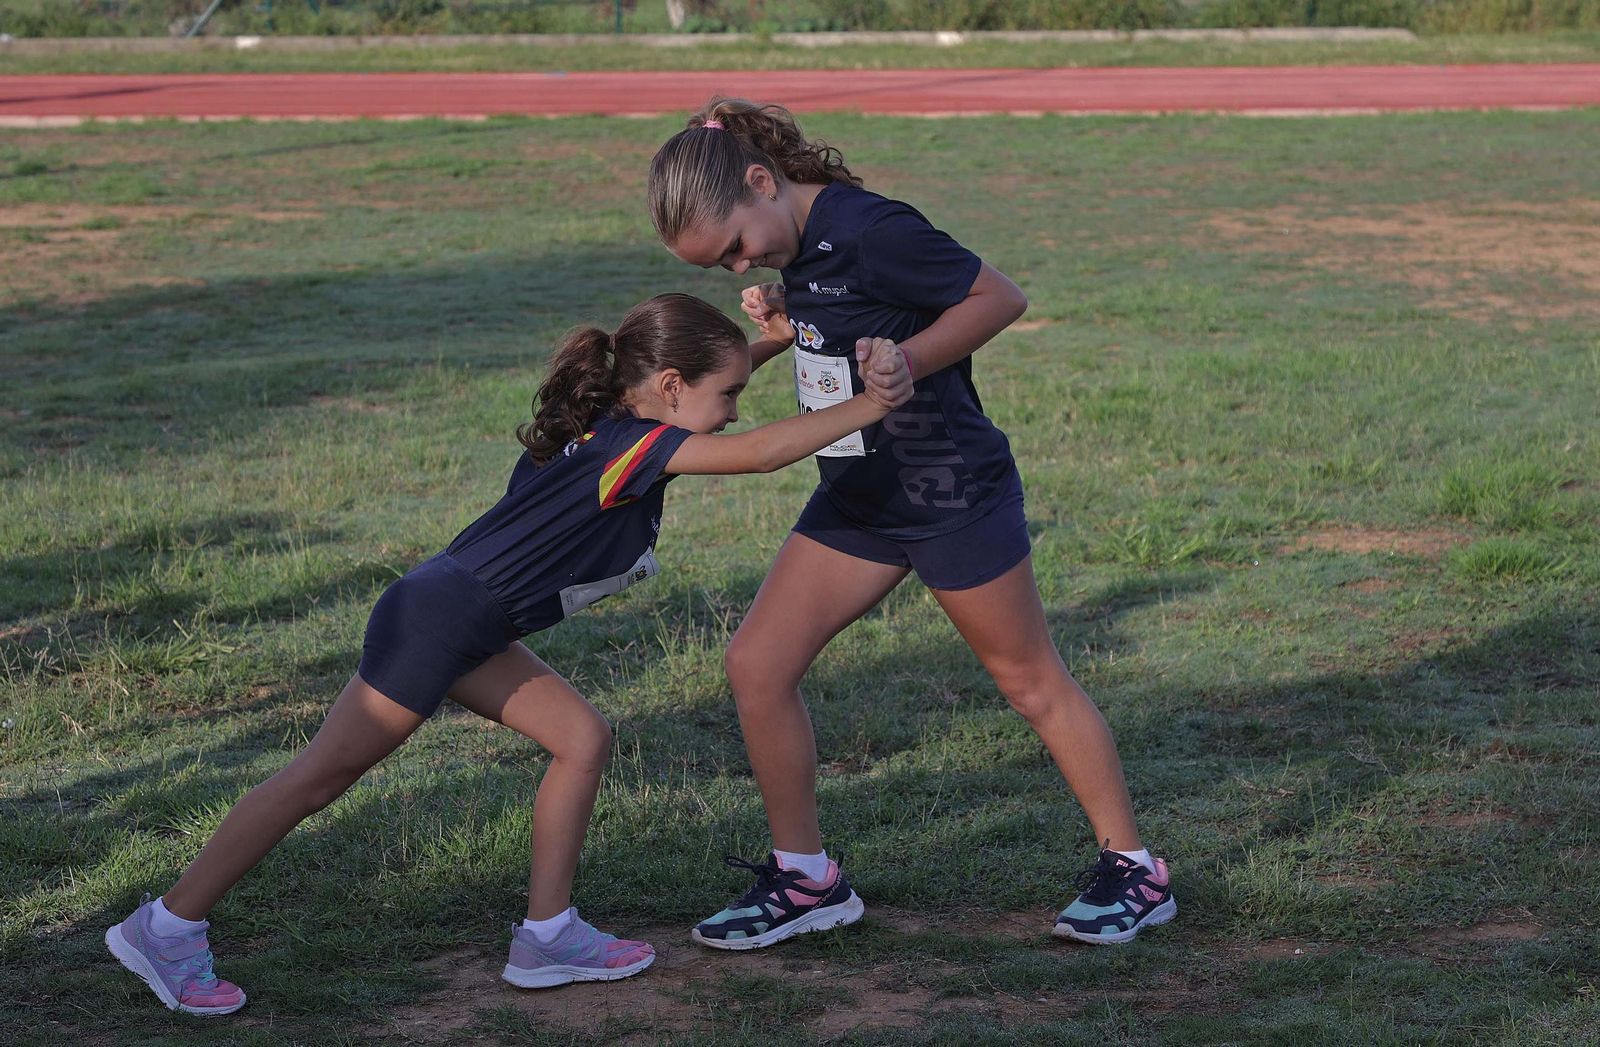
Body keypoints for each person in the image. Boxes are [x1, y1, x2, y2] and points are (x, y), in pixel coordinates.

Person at [106, 292, 912, 1014]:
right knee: (315, 779)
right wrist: (872, 405)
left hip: (463, 617)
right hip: (438, 622)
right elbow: (762, 452)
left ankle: (547, 934)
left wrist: (761, 346)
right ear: (668, 388)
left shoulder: (612, 423)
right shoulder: (625, 448)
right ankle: (167, 925)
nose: (737, 408)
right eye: (729, 393)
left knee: (582, 738)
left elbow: (705, 396)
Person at [647, 100, 1175, 951]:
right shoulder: (803, 245)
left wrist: (911, 358)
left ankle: (1135, 871)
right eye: (723, 263)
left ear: (760, 180)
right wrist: (780, 326)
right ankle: (807, 877)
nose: (741, 261)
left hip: (947, 491)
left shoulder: (870, 227)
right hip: (858, 497)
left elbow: (998, 295)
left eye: (737, 243)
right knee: (756, 662)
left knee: (1030, 681)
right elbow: (840, 325)